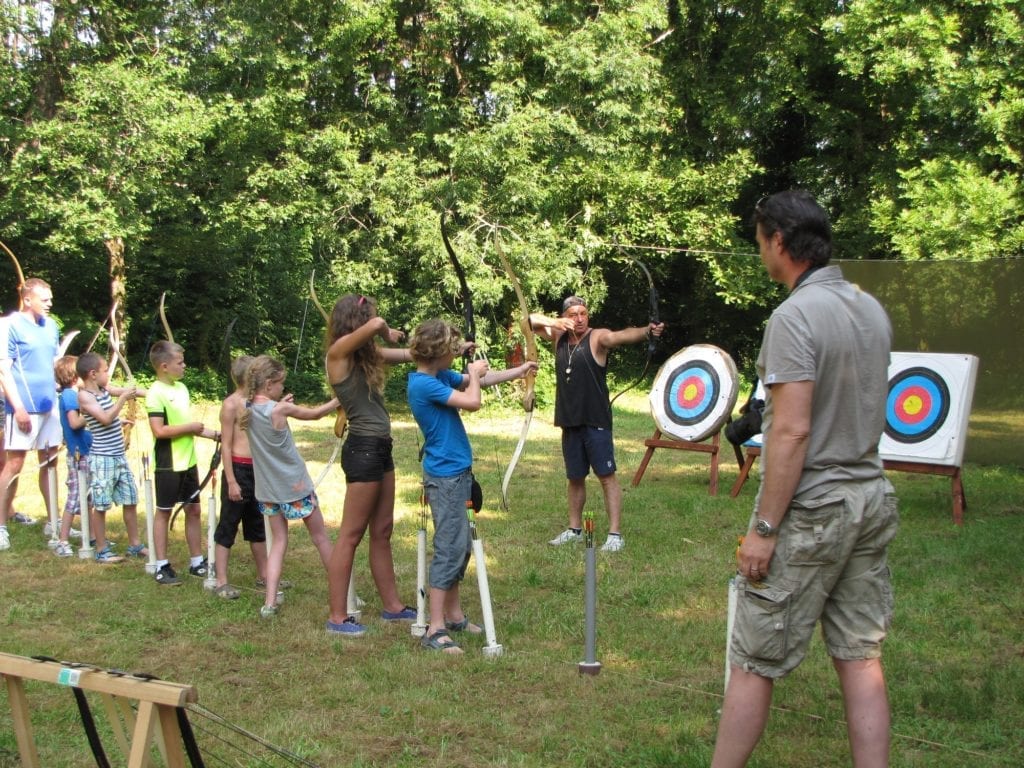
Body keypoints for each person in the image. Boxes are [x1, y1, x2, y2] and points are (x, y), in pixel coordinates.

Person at [711, 191, 898, 768]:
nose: (761, 251)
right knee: (860, 656)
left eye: (761, 240)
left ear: (782, 243)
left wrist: (764, 529)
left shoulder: (794, 316)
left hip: (814, 509)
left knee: (752, 658)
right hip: (870, 499)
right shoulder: (868, 307)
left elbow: (788, 433)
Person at [407, 319, 537, 654]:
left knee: (461, 547)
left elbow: (478, 379)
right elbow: (473, 400)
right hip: (445, 478)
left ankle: (453, 614)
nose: (455, 356)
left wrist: (521, 370)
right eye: (450, 350)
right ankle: (434, 628)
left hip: (457, 474)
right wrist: (475, 374)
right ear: (439, 353)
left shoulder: (437, 375)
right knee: (449, 548)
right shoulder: (423, 384)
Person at [528, 296, 664, 552]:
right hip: (570, 420)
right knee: (575, 477)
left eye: (583, 313)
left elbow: (621, 336)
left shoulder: (597, 337)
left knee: (606, 477)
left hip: (595, 420)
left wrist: (647, 331)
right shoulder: (558, 337)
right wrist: (555, 322)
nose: (579, 319)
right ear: (565, 316)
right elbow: (530, 321)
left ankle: (615, 534)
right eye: (573, 314)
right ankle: (574, 529)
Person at [324, 294, 418, 636]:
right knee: (350, 535)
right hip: (362, 449)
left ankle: (392, 608)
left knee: (382, 531)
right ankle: (337, 617)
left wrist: (452, 344)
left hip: (381, 448)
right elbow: (378, 326)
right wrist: (385, 329)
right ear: (357, 320)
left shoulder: (368, 356)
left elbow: (413, 355)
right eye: (370, 316)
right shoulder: (337, 355)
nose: (377, 320)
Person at [240, 355, 337, 619]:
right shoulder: (279, 410)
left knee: (279, 542)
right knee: (320, 538)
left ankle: (269, 602)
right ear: (269, 384)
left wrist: (279, 404)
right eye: (280, 384)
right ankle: (342, 592)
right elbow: (316, 414)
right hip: (294, 487)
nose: (283, 388)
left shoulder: (247, 407)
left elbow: (268, 414)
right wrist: (342, 397)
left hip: (269, 491)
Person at [146, 340, 218, 585]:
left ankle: (197, 561)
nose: (184, 365)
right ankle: (161, 565)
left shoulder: (182, 389)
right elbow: (159, 431)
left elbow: (188, 427)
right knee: (164, 511)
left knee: (194, 510)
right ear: (164, 366)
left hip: (188, 460)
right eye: (180, 362)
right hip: (168, 462)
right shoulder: (155, 393)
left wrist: (215, 435)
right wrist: (191, 427)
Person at [0, 278, 61, 551]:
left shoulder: (51, 327)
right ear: (27, 300)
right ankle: (0, 526)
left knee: (50, 462)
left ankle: (54, 522)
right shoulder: (9, 325)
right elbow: (4, 371)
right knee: (14, 464)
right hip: (23, 407)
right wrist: (18, 407)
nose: (49, 304)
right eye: (44, 299)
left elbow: (54, 365)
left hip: (50, 406)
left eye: (50, 299)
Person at [76, 352, 147, 562]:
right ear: (92, 374)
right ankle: (101, 549)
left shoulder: (104, 389)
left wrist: (155, 393)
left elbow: (126, 391)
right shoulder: (85, 396)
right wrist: (123, 400)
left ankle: (135, 545)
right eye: (105, 370)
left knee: (130, 498)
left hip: (118, 455)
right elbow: (105, 418)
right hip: (102, 458)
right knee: (101, 504)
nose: (108, 374)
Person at [212, 355, 270, 599]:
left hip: (257, 471)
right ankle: (221, 581)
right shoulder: (231, 404)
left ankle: (265, 575)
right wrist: (232, 481)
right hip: (238, 469)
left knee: (258, 525)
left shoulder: (257, 402)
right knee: (228, 525)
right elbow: (226, 445)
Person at [53, 355, 92, 557]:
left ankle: (92, 535)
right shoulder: (70, 396)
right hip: (79, 455)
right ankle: (62, 540)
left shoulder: (72, 395)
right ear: (76, 376)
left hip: (84, 453)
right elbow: (75, 423)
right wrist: (92, 414)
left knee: (89, 498)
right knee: (75, 498)